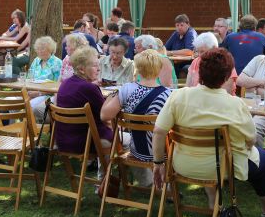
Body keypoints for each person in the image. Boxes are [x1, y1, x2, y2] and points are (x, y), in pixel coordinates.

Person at [152, 48, 265, 217]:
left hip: (182, 164)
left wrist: (158, 162)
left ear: (200, 71)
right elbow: (251, 140)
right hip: (221, 167)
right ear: (227, 76)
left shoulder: (179, 96)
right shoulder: (235, 104)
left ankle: (214, 203)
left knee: (216, 154)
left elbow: (159, 131)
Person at [100, 49, 172, 187]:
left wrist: (111, 96)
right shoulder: (168, 95)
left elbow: (104, 115)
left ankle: (150, 182)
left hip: (137, 151)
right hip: (163, 153)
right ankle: (166, 187)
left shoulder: (126, 89)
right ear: (158, 70)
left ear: (137, 70)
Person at [55, 46, 119, 178]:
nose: (99, 69)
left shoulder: (65, 84)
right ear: (81, 69)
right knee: (131, 140)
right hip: (86, 142)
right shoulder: (89, 88)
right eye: (95, 65)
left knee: (115, 135)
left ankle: (104, 179)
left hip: (63, 141)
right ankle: (146, 183)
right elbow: (106, 118)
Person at [27, 36, 62, 121]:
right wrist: (29, 92)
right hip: (30, 93)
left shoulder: (57, 63)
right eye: (38, 49)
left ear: (50, 49)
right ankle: (12, 129)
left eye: (42, 49)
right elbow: (28, 78)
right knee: (12, 102)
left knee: (28, 106)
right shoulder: (36, 61)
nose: (39, 51)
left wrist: (38, 93)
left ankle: (31, 130)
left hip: (46, 95)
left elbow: (57, 87)